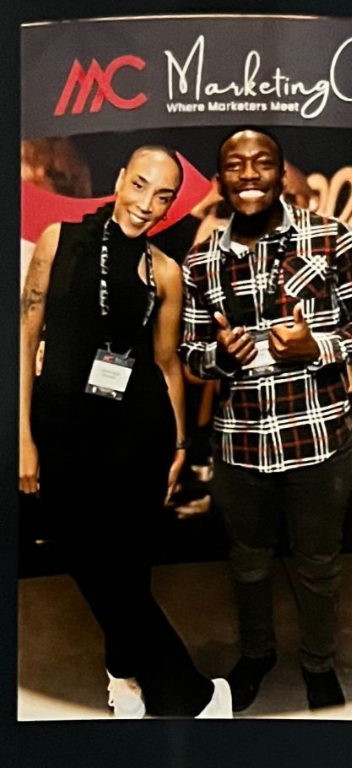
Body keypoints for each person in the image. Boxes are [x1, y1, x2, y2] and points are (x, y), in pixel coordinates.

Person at [180, 128, 352, 712]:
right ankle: (257, 655)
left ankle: (318, 664)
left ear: (281, 174)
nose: (249, 174)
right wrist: (221, 358)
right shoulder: (201, 260)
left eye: (262, 162)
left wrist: (315, 347)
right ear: (219, 180)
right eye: (235, 165)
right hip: (239, 446)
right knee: (247, 562)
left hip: (318, 439)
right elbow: (191, 353)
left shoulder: (333, 238)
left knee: (318, 565)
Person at [19, 145, 231, 718]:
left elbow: (166, 364)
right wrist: (22, 437)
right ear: (118, 180)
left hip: (138, 436)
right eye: (139, 185)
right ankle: (191, 693)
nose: (146, 204)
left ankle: (124, 677)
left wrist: (180, 443)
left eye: (162, 196)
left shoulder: (165, 271)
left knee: (129, 567)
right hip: (61, 431)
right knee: (89, 557)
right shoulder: (59, 242)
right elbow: (25, 335)